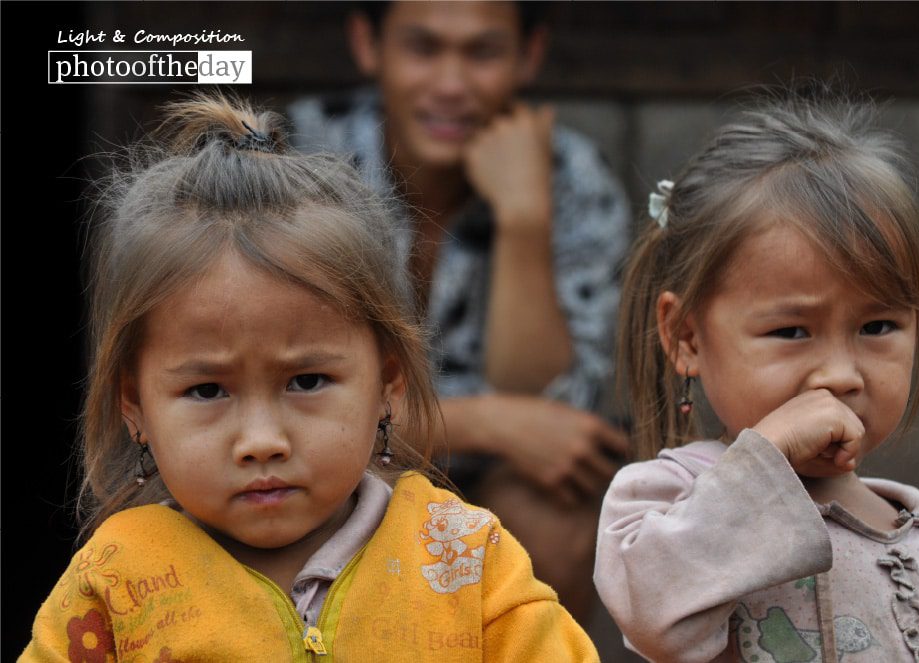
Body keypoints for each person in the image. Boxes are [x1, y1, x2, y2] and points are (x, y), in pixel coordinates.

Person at [21, 94, 598, 662]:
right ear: (135, 407)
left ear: (388, 384)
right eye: (206, 390)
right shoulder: (113, 582)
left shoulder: (464, 559)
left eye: (307, 382)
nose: (263, 441)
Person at [594, 89, 919, 662]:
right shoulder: (665, 501)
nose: (839, 374)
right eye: (791, 332)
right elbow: (655, 616)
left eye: (878, 326)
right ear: (685, 337)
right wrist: (769, 456)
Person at [289, 1, 630, 619]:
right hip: (325, 476)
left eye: (482, 53)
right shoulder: (298, 166)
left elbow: (555, 411)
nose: (450, 85)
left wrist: (524, 219)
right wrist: (485, 422)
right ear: (369, 45)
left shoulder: (571, 176)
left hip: (493, 485)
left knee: (552, 519)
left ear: (529, 55)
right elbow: (291, 407)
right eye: (423, 48)